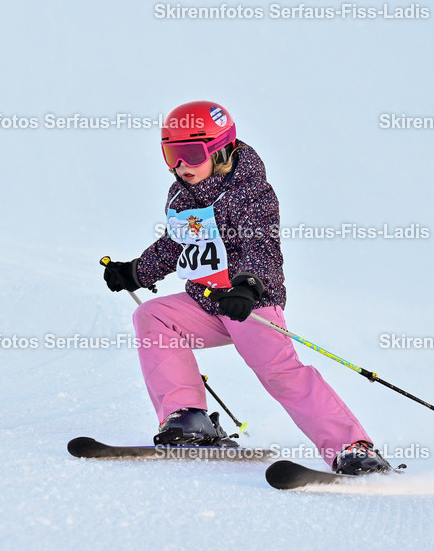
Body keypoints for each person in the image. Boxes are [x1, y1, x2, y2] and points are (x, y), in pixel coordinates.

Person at [103, 101, 393, 474]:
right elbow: (177, 244)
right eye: (171, 154)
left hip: (249, 304)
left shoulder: (251, 192)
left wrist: (249, 285)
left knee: (281, 375)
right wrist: (137, 273)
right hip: (205, 304)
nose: (180, 166)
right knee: (152, 315)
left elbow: (262, 247)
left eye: (191, 154)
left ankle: (353, 447)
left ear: (219, 149)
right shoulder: (181, 196)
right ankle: (188, 418)